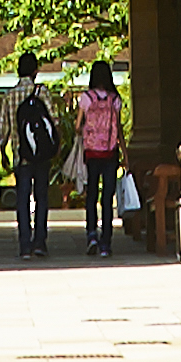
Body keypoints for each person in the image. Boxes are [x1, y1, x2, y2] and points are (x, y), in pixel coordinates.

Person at [6, 52, 61, 261]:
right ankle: (40, 242)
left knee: (22, 198)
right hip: (41, 154)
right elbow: (54, 121)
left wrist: (4, 151)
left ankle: (24, 244)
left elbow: (4, 129)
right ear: (35, 71)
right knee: (41, 197)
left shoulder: (10, 95)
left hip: (21, 155)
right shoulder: (42, 92)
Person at [75, 58, 126, 258]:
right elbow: (118, 128)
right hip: (110, 152)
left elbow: (78, 126)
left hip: (91, 153)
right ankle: (106, 241)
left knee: (92, 195)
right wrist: (125, 153)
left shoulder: (86, 98)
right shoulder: (115, 99)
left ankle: (91, 235)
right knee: (107, 197)